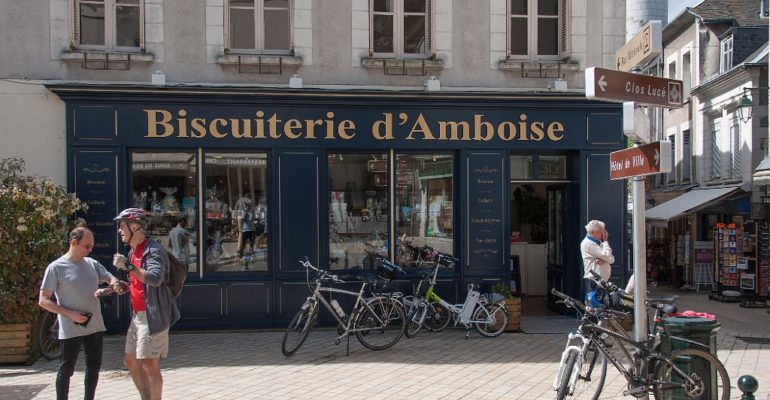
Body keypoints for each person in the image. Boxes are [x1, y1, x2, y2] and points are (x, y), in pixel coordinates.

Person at [38, 227, 126, 400]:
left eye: (91, 246)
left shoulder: (92, 263)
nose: (90, 250)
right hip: (71, 327)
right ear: (73, 243)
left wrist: (113, 287)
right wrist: (70, 314)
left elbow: (111, 279)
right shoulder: (56, 267)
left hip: (94, 325)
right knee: (66, 369)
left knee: (93, 367)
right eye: (87, 246)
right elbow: (43, 300)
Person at [113, 208, 180, 400]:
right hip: (137, 315)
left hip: (152, 315)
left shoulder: (153, 250)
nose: (119, 230)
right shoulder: (133, 251)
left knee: (149, 364)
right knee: (130, 361)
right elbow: (140, 281)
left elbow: (155, 278)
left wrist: (128, 266)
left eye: (122, 226)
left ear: (134, 226)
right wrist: (125, 286)